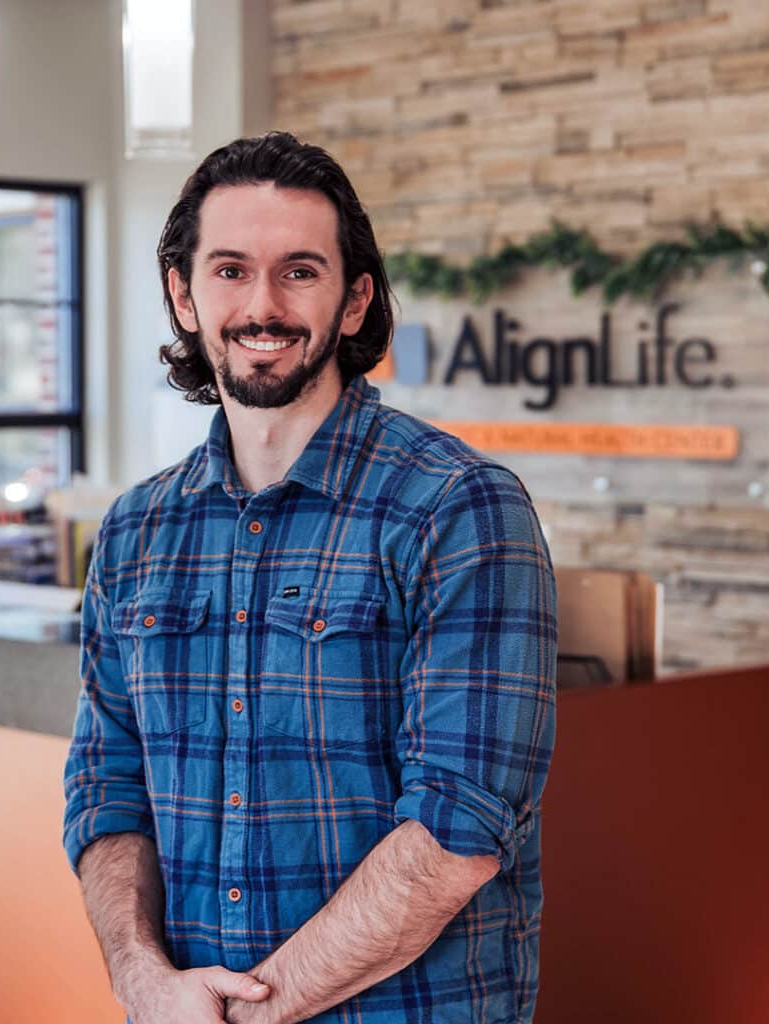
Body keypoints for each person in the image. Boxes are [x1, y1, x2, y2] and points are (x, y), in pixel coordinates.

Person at [63, 131, 557, 1024]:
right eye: (228, 271)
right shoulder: (134, 532)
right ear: (183, 294)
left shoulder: (459, 508)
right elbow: (107, 788)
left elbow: (460, 825)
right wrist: (143, 983)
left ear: (355, 299)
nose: (263, 304)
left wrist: (246, 1012)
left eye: (299, 271)